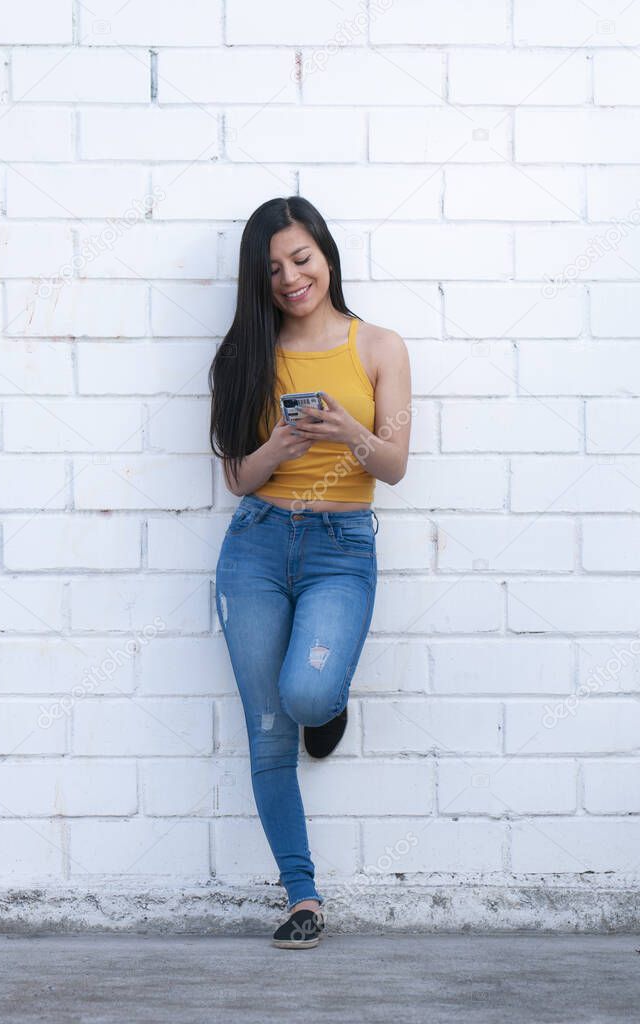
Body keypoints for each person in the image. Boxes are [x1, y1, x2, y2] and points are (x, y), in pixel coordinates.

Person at [209, 196, 411, 949]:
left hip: (340, 547)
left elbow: (391, 467)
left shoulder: (380, 346)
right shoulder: (243, 355)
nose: (292, 278)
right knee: (267, 734)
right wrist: (280, 450)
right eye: (273, 270)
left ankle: (327, 706)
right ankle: (303, 898)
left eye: (301, 258)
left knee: (304, 694)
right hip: (256, 547)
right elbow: (237, 476)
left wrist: (346, 431)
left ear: (325, 254)